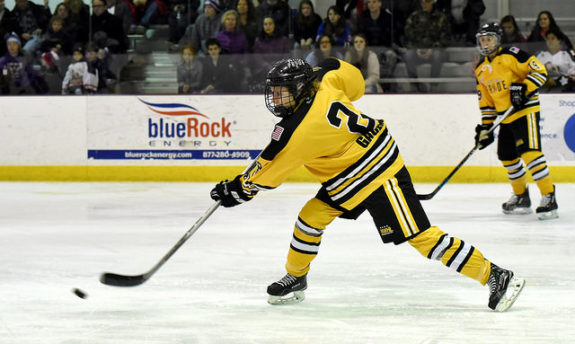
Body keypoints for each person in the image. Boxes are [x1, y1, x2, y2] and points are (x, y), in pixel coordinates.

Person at [209, 57, 525, 312]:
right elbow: (352, 79)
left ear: (302, 89)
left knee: (422, 238)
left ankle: (496, 275)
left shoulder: (298, 131)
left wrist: (235, 189)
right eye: (275, 90)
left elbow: (265, 171)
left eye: (283, 91)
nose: (277, 98)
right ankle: (296, 277)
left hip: (377, 172)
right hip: (348, 175)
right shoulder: (325, 78)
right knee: (310, 218)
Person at [473, 23, 558, 220]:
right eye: (482, 40)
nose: (485, 44)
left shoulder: (513, 54)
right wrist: (485, 128)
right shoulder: (480, 69)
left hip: (525, 111)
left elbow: (540, 72)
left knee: (530, 153)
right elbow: (486, 104)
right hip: (505, 117)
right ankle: (521, 196)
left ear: (498, 39)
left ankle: (549, 195)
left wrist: (523, 88)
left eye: (489, 39)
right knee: (506, 155)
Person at [402, 0, 450, 92]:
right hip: (417, 50)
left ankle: (433, 86)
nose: (424, 4)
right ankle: (415, 85)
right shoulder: (414, 17)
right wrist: (416, 48)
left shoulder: (440, 17)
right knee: (408, 55)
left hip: (436, 50)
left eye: (427, 2)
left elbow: (445, 38)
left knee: (437, 54)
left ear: (432, 2)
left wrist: (433, 48)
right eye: (422, 2)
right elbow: (407, 37)